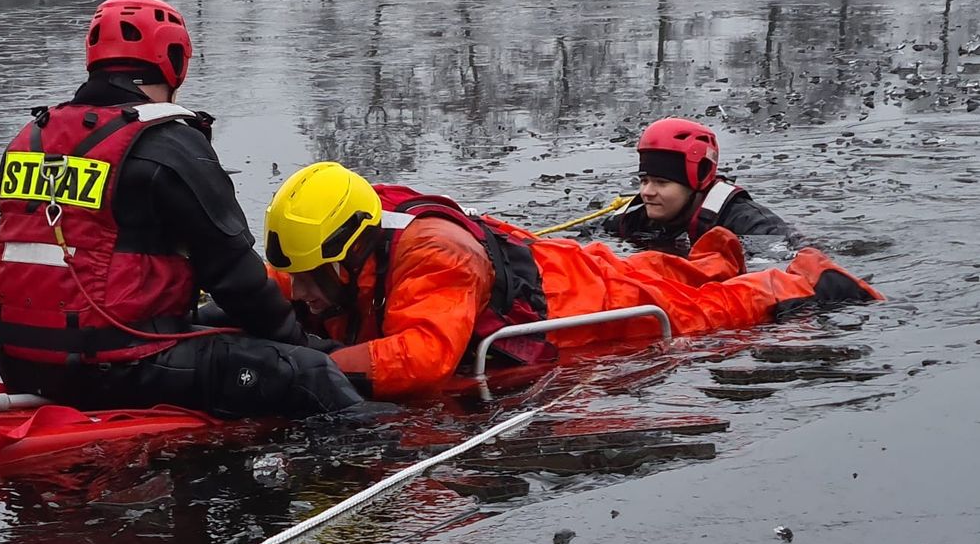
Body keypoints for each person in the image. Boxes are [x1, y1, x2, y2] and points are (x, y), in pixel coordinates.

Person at [0, 0, 364, 419]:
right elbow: (236, 278)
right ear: (174, 59)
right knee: (309, 374)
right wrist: (304, 348)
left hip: (17, 361)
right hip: (111, 370)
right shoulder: (168, 142)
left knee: (220, 321)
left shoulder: (31, 138)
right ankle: (394, 459)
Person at [262, 162, 882, 401]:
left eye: (313, 281)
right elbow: (279, 281)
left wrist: (306, 367)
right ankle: (717, 257)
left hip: (567, 298)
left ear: (348, 253)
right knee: (665, 273)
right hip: (538, 267)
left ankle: (805, 281)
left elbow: (422, 357)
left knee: (694, 313)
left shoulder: (432, 257)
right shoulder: (331, 248)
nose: (303, 294)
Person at [596, 118, 799, 253]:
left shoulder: (747, 222)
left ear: (696, 182)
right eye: (644, 181)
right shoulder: (634, 216)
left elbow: (795, 254)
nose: (647, 192)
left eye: (662, 183)